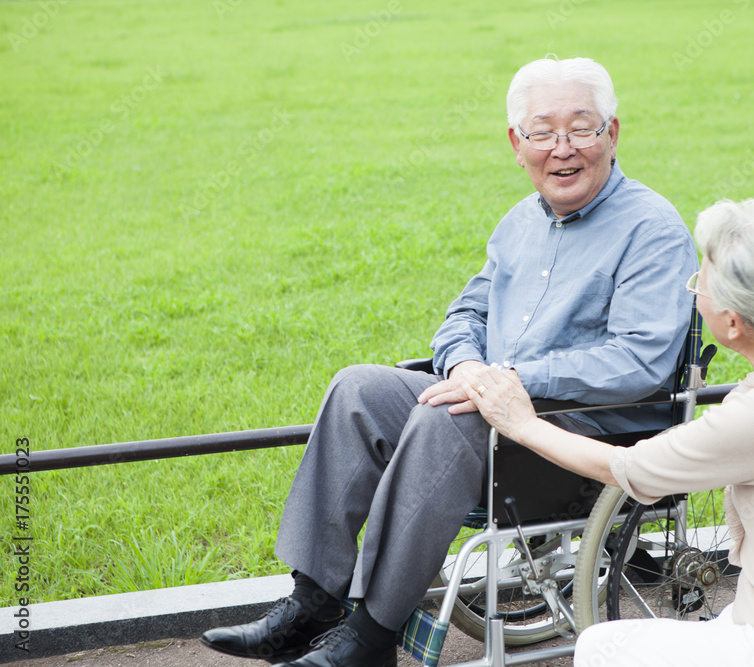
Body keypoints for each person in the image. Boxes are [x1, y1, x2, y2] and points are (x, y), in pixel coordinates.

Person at [199, 56, 698, 667]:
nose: (562, 149)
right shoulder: (519, 224)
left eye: (582, 128)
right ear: (518, 144)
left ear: (613, 133)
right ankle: (314, 601)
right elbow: (465, 317)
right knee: (357, 389)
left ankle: (372, 638)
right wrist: (466, 367)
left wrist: (511, 384)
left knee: (450, 419)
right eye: (542, 132)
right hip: (494, 413)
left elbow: (639, 361)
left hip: (578, 437)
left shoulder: (652, 228)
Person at [460, 199, 754, 667]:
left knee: (598, 647)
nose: (693, 292)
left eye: (700, 284)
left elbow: (626, 468)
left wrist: (522, 424)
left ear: (732, 323)